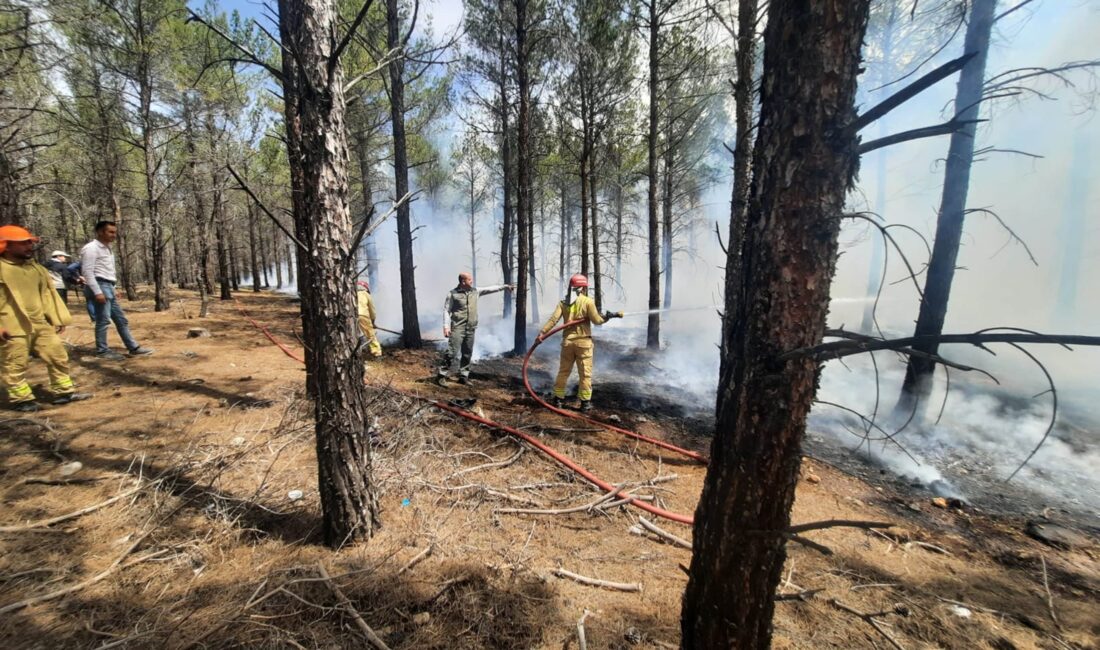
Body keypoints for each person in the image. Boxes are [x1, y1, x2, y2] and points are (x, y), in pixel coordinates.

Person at [0, 226, 92, 412]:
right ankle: (22, 399)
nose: (29, 246)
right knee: (14, 363)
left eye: (30, 242)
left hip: (39, 324)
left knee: (57, 355)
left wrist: (56, 318)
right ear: (6, 246)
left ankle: (64, 392)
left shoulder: (37, 269)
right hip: (10, 327)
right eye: (23, 243)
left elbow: (48, 295)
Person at [538, 273, 622, 412]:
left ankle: (558, 400)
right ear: (583, 288)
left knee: (563, 371)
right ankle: (585, 404)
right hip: (584, 344)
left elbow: (553, 320)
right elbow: (597, 321)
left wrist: (542, 333)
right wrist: (608, 317)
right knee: (585, 374)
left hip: (568, 343)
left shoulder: (563, 303)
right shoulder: (588, 302)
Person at [80, 220, 154, 361]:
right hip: (99, 285)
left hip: (107, 286)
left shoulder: (107, 248)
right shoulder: (91, 248)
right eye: (111, 232)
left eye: (115, 232)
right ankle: (102, 351)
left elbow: (107, 271)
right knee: (103, 320)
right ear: (101, 232)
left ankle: (133, 348)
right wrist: (97, 292)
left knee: (121, 320)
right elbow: (87, 272)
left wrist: (113, 288)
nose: (114, 235)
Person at [437, 272, 512, 386]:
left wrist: (505, 287)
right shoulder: (453, 294)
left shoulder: (475, 291)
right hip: (458, 327)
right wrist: (446, 326)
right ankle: (441, 376)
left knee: (467, 353)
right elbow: (446, 311)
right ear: (463, 281)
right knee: (452, 352)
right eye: (469, 279)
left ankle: (464, 376)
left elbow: (490, 289)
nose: (472, 281)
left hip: (471, 328)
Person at [355, 280, 382, 358]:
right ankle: (377, 354)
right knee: (370, 335)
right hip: (363, 315)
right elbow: (372, 311)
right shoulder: (366, 294)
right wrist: (372, 323)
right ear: (366, 288)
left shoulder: (352, 293)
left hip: (352, 316)